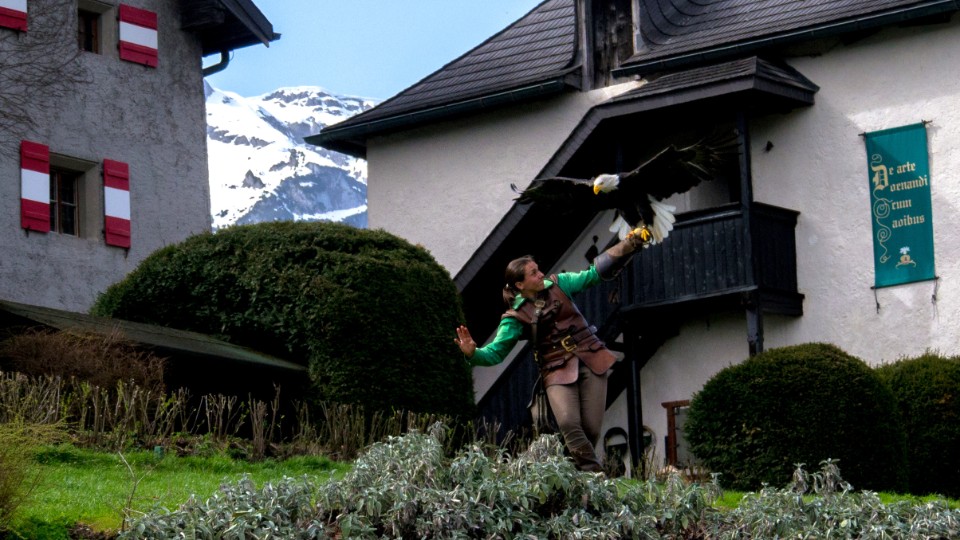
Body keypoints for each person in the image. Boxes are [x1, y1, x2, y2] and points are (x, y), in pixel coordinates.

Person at [454, 231, 644, 472]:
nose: (541, 274)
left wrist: (628, 244)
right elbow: (495, 353)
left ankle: (574, 477)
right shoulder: (515, 317)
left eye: (538, 269)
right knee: (568, 422)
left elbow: (592, 275)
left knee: (591, 430)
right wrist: (473, 353)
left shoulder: (559, 284)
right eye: (534, 273)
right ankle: (595, 476)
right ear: (520, 285)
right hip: (555, 369)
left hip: (591, 356)